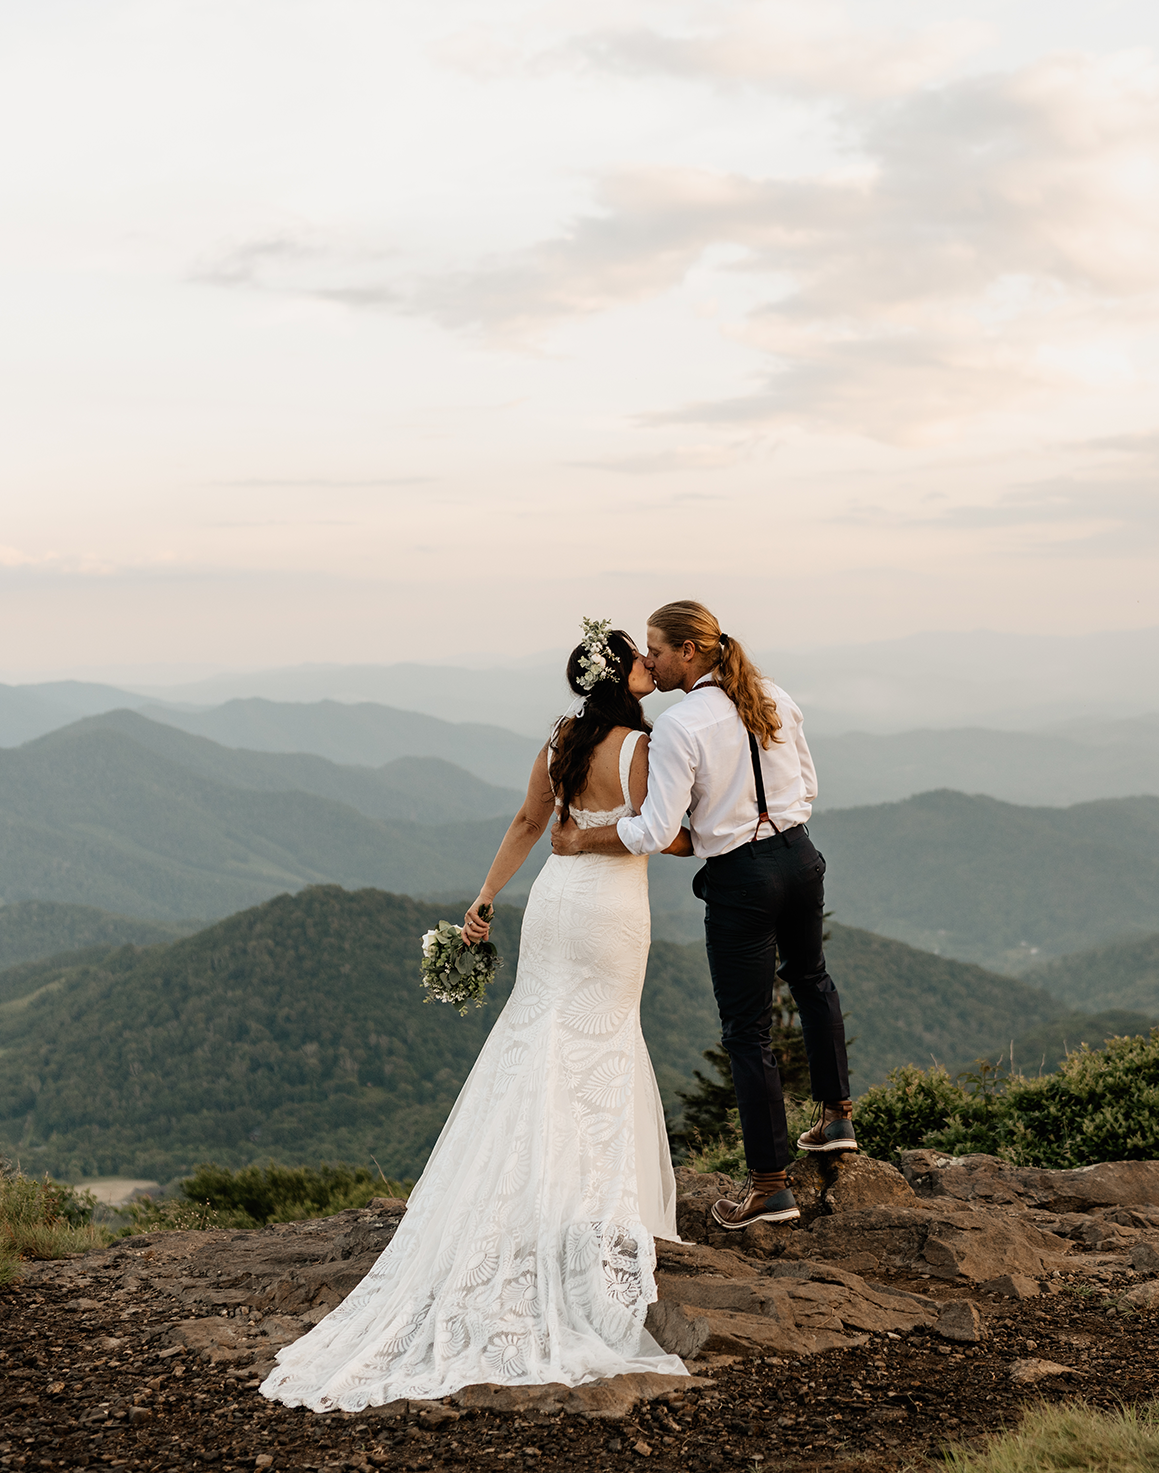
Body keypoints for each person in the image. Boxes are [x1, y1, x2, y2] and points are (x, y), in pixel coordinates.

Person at [260, 622, 693, 1413]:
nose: (646, 663)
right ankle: (587, 1209)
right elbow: (662, 834)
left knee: (539, 1038)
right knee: (598, 1043)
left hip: (553, 905)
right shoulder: (643, 747)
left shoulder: (562, 739)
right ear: (619, 674)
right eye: (637, 655)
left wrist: (485, 897)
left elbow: (529, 824)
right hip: (609, 910)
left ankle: (522, 1193)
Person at [551, 600, 853, 1231]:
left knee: (747, 1032)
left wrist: (583, 839)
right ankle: (836, 1119)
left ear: (688, 651)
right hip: (801, 857)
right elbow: (808, 785)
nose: (650, 661)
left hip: (742, 879)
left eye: (657, 650)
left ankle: (770, 1187)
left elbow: (653, 830)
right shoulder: (773, 695)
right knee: (812, 981)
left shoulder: (679, 725)